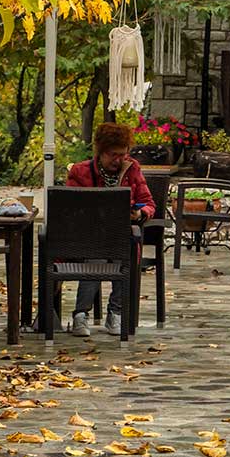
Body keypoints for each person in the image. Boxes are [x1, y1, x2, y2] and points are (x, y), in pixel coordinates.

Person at [59, 121, 155, 338]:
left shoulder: (132, 169)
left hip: (121, 236)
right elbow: (70, 208)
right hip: (86, 237)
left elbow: (148, 202)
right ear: (100, 152)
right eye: (113, 155)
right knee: (97, 258)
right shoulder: (80, 172)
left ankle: (116, 312)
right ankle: (81, 314)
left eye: (123, 154)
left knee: (124, 255)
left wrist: (140, 214)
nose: (119, 160)